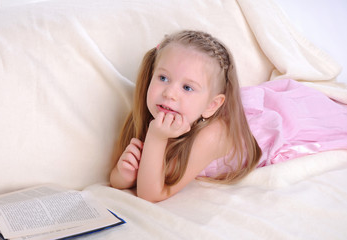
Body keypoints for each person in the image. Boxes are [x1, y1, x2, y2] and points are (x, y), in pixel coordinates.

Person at [110, 30, 347, 202]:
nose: (169, 93)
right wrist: (123, 175)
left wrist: (156, 138)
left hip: (278, 124)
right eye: (163, 78)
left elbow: (151, 193)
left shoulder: (211, 136)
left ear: (211, 105)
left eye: (187, 88)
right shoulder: (156, 113)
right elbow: (132, 177)